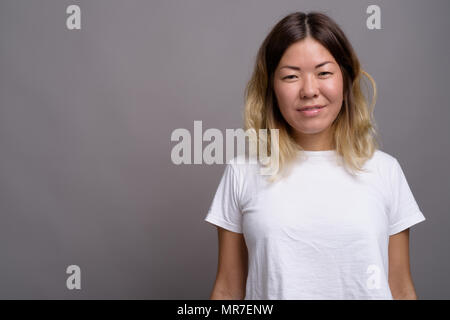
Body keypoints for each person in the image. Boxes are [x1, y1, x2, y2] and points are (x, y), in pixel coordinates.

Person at [204, 11, 426, 300]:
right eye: (291, 76)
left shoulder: (386, 171)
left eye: (323, 73)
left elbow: (400, 287)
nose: (309, 90)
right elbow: (228, 290)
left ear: (346, 81)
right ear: (272, 87)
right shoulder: (242, 173)